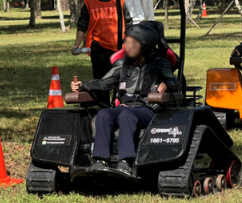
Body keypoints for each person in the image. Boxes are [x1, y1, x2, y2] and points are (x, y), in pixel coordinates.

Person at [71, 24, 178, 174]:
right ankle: (101, 160)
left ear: (144, 46)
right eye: (126, 42)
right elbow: (104, 82)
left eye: (131, 43)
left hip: (148, 109)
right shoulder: (123, 65)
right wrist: (84, 86)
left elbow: (174, 82)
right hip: (124, 106)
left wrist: (167, 84)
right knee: (104, 114)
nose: (127, 46)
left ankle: (125, 161)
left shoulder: (160, 64)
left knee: (127, 115)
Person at [72, 0, 133, 79]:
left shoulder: (120, 1)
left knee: (120, 83)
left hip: (119, 47)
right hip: (98, 48)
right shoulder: (89, 4)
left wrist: (130, 42)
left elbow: (129, 23)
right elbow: (82, 25)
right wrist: (77, 44)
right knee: (100, 82)